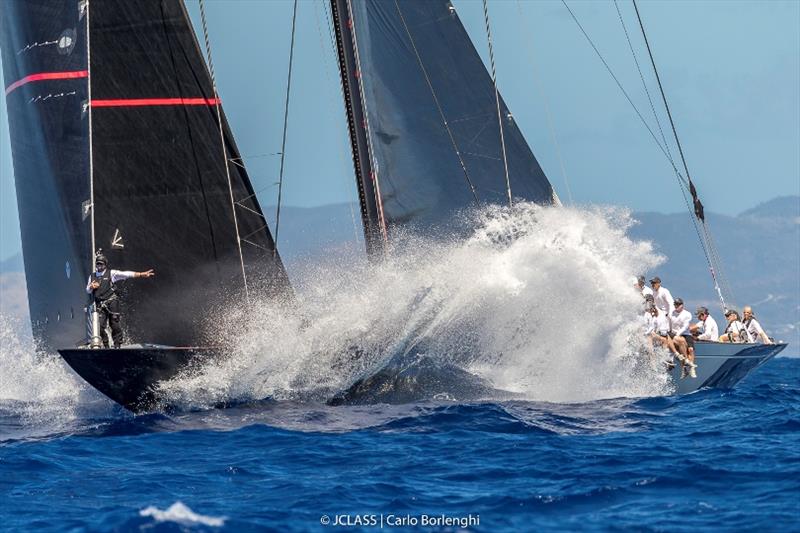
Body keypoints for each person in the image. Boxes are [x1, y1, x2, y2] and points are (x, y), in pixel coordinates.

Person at [86, 252, 155, 348]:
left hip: (112, 302)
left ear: (105, 264)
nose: (99, 266)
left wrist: (141, 274)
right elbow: (88, 290)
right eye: (98, 264)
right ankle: (106, 345)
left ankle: (117, 345)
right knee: (100, 327)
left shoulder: (111, 273)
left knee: (114, 324)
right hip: (100, 305)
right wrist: (91, 286)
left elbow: (126, 274)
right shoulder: (92, 276)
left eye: (101, 264)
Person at [668, 297, 697, 378]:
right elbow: (669, 324)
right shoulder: (672, 313)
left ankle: (691, 368)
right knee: (679, 346)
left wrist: (678, 334)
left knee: (690, 349)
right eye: (675, 304)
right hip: (673, 333)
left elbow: (685, 327)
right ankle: (684, 366)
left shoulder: (687, 314)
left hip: (685, 333)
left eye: (678, 304)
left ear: (682, 305)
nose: (676, 306)